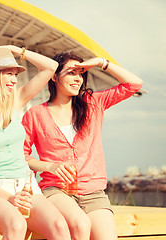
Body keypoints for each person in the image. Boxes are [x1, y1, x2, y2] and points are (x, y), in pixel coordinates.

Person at [22, 51, 143, 240]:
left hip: (94, 192)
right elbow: (22, 155)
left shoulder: (93, 103)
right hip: (56, 190)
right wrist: (49, 166)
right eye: (71, 72)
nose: (78, 79)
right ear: (54, 77)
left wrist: (101, 63)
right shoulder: (35, 114)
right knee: (80, 223)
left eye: (81, 74)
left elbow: (134, 84)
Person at [0, 45, 71, 240]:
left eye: (15, 74)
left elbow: (51, 67)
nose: (14, 79)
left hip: (27, 187)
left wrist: (14, 49)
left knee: (60, 227)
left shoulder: (16, 101)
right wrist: (9, 198)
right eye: (8, 73)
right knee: (16, 225)